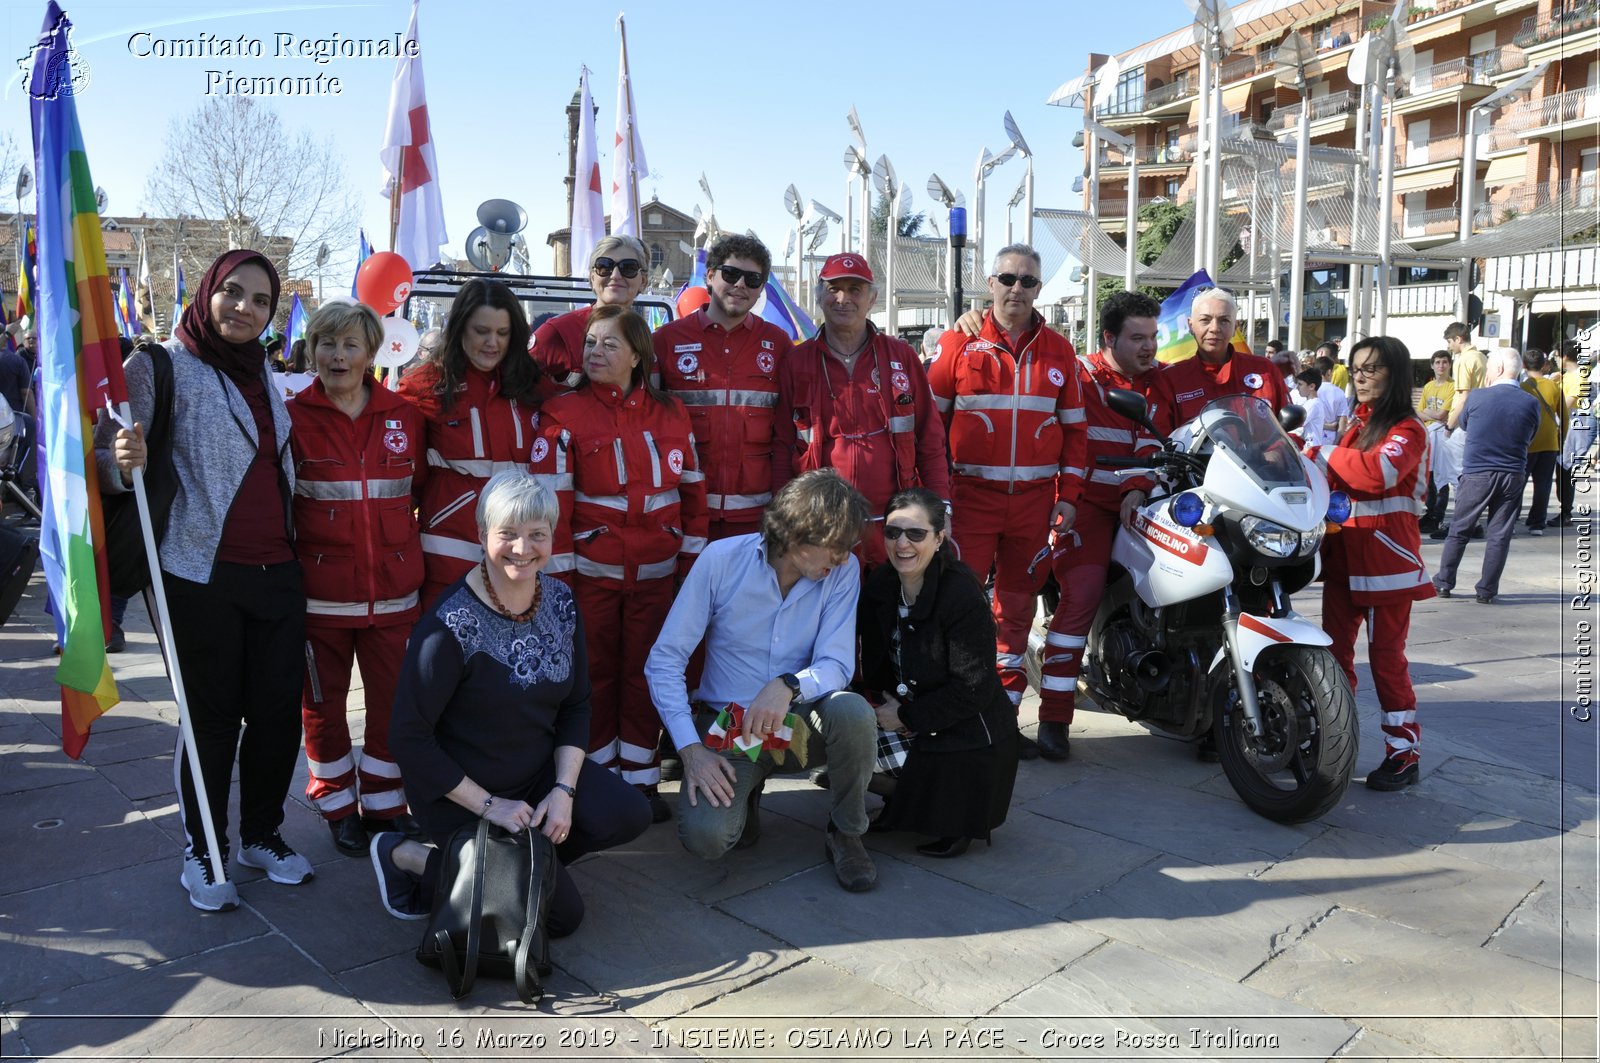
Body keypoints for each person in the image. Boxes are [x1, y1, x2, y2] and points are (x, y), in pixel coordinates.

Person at [97, 249, 311, 911]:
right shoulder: (160, 362)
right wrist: (118, 458)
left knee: (278, 714)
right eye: (233, 293)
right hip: (196, 571)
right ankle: (204, 849)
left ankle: (261, 835)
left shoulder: (268, 375)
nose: (244, 308)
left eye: (259, 300)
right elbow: (107, 450)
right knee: (211, 718)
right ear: (209, 292)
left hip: (278, 569)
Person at [376, 470, 650, 930]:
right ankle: (404, 855)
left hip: (535, 777)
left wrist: (563, 792)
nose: (523, 549)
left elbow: (577, 703)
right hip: (463, 793)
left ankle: (521, 869)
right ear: (482, 535)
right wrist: (489, 805)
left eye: (536, 535)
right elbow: (408, 738)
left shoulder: (562, 602)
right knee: (561, 920)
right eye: (508, 534)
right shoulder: (447, 626)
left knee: (627, 813)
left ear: (552, 537)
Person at [644, 470, 880, 892]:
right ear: (794, 535)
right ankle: (745, 795)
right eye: (836, 547)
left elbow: (837, 663)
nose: (843, 559)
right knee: (708, 840)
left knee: (852, 710)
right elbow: (664, 661)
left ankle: (847, 832)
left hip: (799, 722)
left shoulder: (843, 573)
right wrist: (691, 751)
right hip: (729, 726)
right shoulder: (721, 560)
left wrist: (787, 685)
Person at [532, 305, 706, 823]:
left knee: (647, 677)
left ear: (637, 354)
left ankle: (642, 780)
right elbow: (550, 506)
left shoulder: (672, 412)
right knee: (595, 680)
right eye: (590, 343)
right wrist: (557, 585)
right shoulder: (563, 413)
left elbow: (693, 494)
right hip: (590, 581)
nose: (596, 353)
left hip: (656, 579)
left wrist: (689, 569)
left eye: (610, 344)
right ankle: (600, 781)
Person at [287, 301, 428, 856]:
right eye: (326, 343)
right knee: (322, 707)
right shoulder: (291, 417)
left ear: (372, 352)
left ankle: (387, 804)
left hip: (395, 596)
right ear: (311, 349)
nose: (337, 355)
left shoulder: (405, 416)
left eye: (350, 345)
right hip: (320, 599)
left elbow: (418, 494)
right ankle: (338, 804)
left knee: (393, 705)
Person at [928, 243, 1087, 724]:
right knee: (955, 605)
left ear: (1039, 290)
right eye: (1008, 279)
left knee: (1016, 613)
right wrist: (936, 500)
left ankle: (1002, 717)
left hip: (1034, 508)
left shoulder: (1060, 349)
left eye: (1028, 281)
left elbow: (1076, 432)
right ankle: (951, 714)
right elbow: (929, 429)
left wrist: (1070, 497)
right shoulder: (958, 344)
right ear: (990, 283)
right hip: (969, 501)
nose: (1017, 288)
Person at [1036, 291, 1170, 761]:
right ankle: (1053, 717)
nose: (1149, 346)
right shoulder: (1080, 374)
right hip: (1086, 504)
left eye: (1154, 336)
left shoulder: (1162, 381)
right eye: (1138, 337)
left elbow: (1161, 441)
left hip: (1148, 504)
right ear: (1110, 337)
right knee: (1083, 593)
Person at [1304, 336, 1435, 791]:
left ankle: (1404, 752)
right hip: (1343, 562)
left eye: (1372, 369)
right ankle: (1332, 742)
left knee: (1386, 662)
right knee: (1334, 661)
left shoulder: (1408, 430)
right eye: (1356, 368)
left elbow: (1377, 473)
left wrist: (1321, 452)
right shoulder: (1354, 427)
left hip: (1387, 566)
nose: (1360, 377)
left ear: (1394, 374)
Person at [857, 488, 1019, 855]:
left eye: (916, 534)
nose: (903, 544)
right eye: (893, 532)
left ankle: (957, 820)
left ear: (939, 537)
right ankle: (900, 804)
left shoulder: (960, 594)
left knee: (864, 758)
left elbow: (972, 689)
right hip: (905, 711)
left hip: (969, 731)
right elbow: (876, 661)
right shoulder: (882, 584)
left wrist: (904, 716)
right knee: (844, 745)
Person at [772, 253, 950, 566]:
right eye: (833, 289)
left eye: (855, 289)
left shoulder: (902, 357)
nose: (843, 299)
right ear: (819, 297)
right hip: (822, 527)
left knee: (890, 612)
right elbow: (781, 446)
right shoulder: (796, 363)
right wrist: (784, 518)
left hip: (895, 528)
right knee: (831, 613)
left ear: (872, 298)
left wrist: (941, 509)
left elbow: (930, 440)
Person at [396, 279, 541, 610]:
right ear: (460, 328)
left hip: (519, 559)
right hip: (446, 559)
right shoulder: (423, 388)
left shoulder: (532, 385)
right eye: (481, 331)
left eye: (503, 333)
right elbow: (407, 484)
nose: (492, 343)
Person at [652, 234, 793, 542]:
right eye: (731, 274)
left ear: (761, 289)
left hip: (754, 518)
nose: (741, 285)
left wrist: (783, 505)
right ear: (710, 275)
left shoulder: (780, 344)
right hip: (681, 511)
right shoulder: (665, 341)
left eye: (753, 279)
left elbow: (786, 434)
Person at [1432, 348, 1540, 605]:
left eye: (1490, 367)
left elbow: (1466, 425)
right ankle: (1487, 590)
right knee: (1499, 534)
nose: (1487, 372)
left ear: (1500, 369)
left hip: (1478, 472)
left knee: (1459, 529)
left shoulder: (1478, 397)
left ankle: (1445, 582)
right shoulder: (1530, 402)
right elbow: (1531, 434)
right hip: (1513, 474)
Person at [531, 235, 649, 397]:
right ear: (592, 278)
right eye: (604, 266)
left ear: (643, 280)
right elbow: (517, 386)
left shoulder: (647, 338)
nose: (615, 275)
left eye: (628, 267)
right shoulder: (559, 331)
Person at [1161, 288, 1292, 424]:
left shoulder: (1266, 371)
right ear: (1190, 326)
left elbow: (1292, 433)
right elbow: (1157, 441)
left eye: (1224, 321)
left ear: (1235, 327)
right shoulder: (1171, 380)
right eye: (1205, 320)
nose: (1214, 328)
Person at [1520, 348, 1564, 535]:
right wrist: (1561, 440)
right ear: (1544, 365)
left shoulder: (1522, 388)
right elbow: (1565, 417)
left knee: (1518, 484)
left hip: (1526, 443)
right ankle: (1538, 522)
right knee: (1543, 484)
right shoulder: (1554, 387)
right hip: (1549, 442)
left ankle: (1511, 518)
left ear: (1524, 365)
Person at [1416, 349, 1456, 534]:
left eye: (1444, 362)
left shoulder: (1452, 387)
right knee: (1429, 476)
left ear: (1449, 364)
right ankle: (1429, 512)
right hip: (1429, 433)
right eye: (1438, 362)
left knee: (1441, 477)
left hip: (1443, 435)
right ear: (1432, 365)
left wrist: (1431, 413)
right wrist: (1432, 414)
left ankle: (1438, 515)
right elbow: (1418, 412)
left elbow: (1443, 415)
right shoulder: (1428, 387)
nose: (1441, 366)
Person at [1559, 341, 1591, 525]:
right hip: (1565, 425)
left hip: (1571, 426)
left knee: (1566, 469)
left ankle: (1566, 513)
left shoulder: (1579, 377)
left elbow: (1566, 404)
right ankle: (1565, 512)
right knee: (1562, 469)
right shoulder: (1566, 375)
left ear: (1565, 356)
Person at [1294, 369, 1337, 447]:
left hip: (1310, 447)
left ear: (1311, 386)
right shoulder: (1312, 403)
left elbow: (1296, 424)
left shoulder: (1313, 404)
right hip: (1310, 445)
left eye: (1300, 384)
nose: (1297, 387)